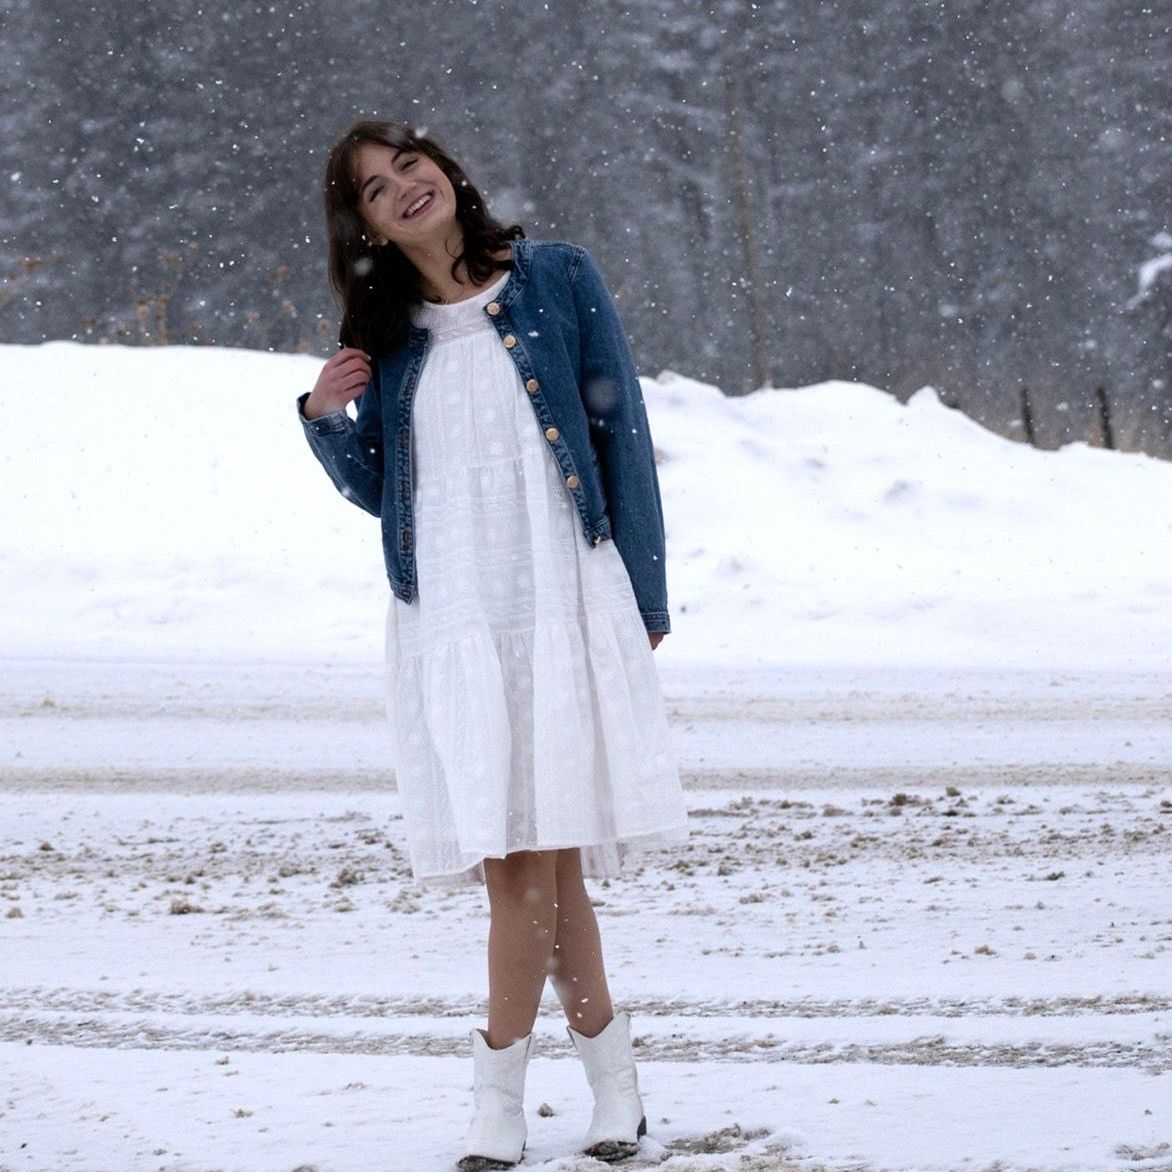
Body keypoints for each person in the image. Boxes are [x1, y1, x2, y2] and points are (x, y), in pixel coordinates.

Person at [297, 119, 690, 1170]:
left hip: (560, 595)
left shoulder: (557, 278)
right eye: (377, 189)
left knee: (527, 867)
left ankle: (498, 1097)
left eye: (408, 166)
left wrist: (640, 599)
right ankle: (612, 1082)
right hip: (459, 616)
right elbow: (382, 491)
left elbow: (621, 436)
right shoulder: (382, 332)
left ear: (445, 170)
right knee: (535, 871)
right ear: (367, 225)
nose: (403, 189)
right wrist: (324, 418)